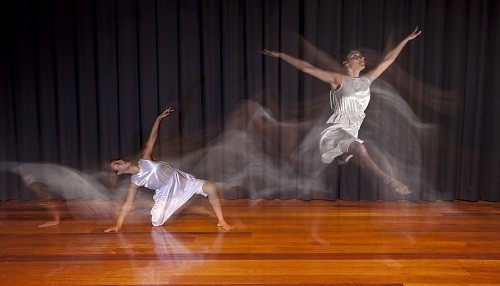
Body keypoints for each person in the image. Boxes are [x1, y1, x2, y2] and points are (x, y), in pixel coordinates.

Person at [261, 27, 422, 195]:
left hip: (353, 131)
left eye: (361, 55)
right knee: (359, 150)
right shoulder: (338, 79)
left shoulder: (367, 80)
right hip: (336, 130)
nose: (361, 57)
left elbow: (387, 60)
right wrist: (281, 55)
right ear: (345, 62)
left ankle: (300, 179)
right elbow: (307, 67)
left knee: (322, 170)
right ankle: (387, 179)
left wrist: (406, 40)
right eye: (355, 55)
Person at [105, 107, 234, 232]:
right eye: (117, 164)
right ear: (120, 172)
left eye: (119, 160)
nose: (120, 161)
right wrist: (118, 224)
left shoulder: (145, 158)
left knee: (211, 187)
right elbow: (128, 204)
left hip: (180, 179)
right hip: (164, 191)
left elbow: (152, 137)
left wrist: (158, 119)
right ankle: (179, 204)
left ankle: (221, 220)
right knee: (156, 223)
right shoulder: (135, 182)